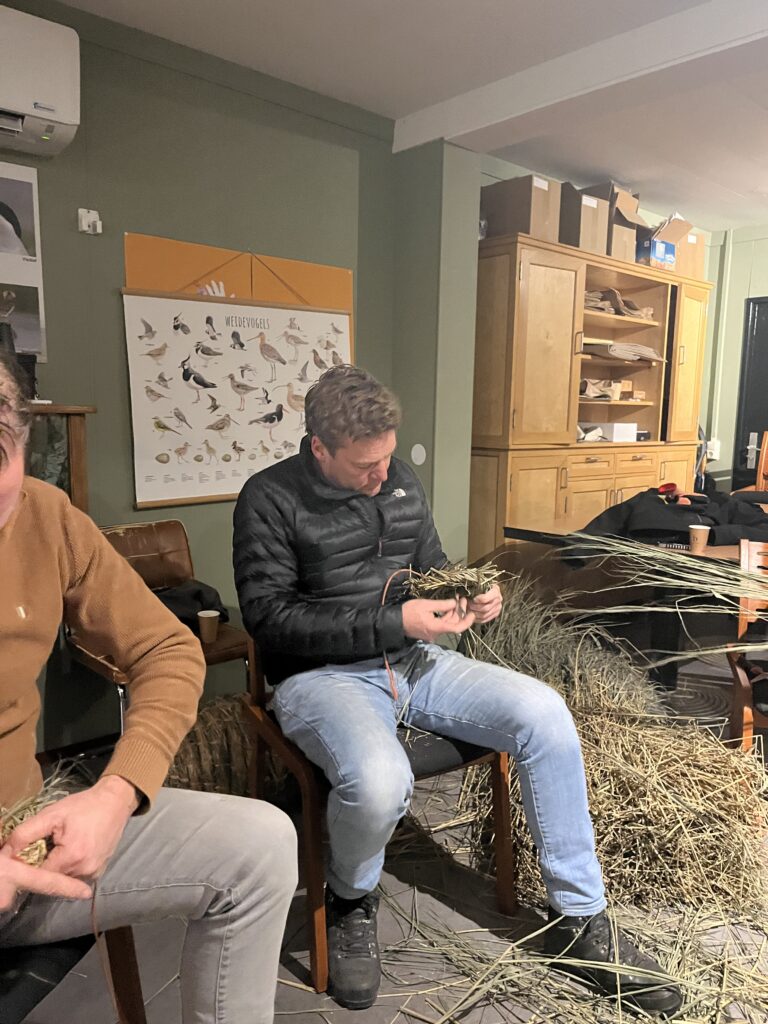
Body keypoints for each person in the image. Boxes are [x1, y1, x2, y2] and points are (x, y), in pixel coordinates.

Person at [233, 364, 683, 1016]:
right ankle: (352, 899)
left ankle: (580, 917)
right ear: (319, 447)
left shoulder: (398, 479)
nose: (382, 476)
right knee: (380, 780)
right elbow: (270, 619)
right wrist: (397, 621)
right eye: (365, 466)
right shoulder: (268, 497)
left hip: (414, 661)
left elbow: (432, 567)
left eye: (387, 459)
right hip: (322, 677)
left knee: (544, 713)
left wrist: (469, 591)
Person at [0, 349, 297, 1024]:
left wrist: (117, 792)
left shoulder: (47, 518)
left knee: (263, 847)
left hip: (28, 835)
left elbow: (166, 648)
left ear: (22, 439)